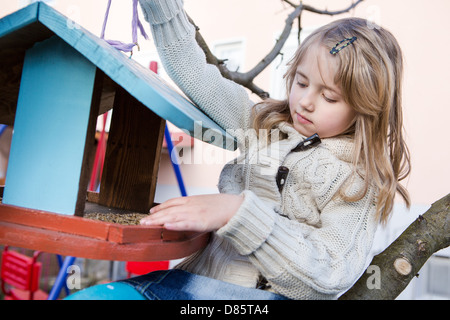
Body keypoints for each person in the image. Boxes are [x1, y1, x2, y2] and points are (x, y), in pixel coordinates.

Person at [67, 0, 410, 300]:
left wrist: (237, 213)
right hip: (190, 285)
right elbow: (195, 74)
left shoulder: (358, 180)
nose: (305, 102)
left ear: (366, 109)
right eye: (301, 82)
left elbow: (328, 274)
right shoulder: (262, 126)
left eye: (329, 97)